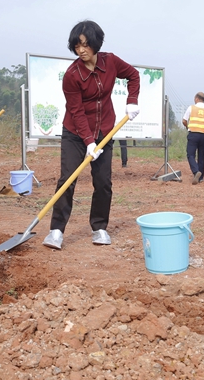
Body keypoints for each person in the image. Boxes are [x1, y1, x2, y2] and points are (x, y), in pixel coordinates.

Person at [43, 20, 140, 250]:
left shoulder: (111, 62)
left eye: (86, 45)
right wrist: (88, 142)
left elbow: (133, 75)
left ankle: (99, 228)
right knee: (67, 179)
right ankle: (56, 230)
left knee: (103, 182)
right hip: (75, 134)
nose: (81, 51)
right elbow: (76, 111)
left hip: (104, 132)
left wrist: (132, 101)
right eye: (77, 46)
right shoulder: (72, 75)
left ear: (96, 43)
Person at [182, 92, 204, 185]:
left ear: (196, 99)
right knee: (201, 156)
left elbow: (184, 120)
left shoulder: (191, 108)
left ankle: (196, 171)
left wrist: (187, 126)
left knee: (190, 154)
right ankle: (200, 178)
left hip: (193, 134)